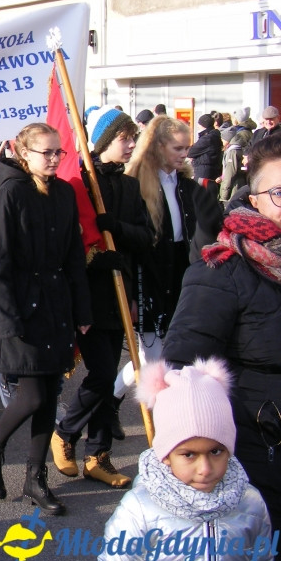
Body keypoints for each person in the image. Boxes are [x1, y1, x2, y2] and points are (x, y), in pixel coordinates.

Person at [163, 135, 281, 557]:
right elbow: (182, 369)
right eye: (280, 193)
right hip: (258, 448)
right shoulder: (223, 266)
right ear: (255, 195)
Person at [0, 123, 92, 516]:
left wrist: (82, 310)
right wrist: (6, 318)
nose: (56, 158)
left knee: (48, 397)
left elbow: (74, 255)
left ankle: (35, 479)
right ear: (25, 154)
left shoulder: (63, 192)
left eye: (59, 152)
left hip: (56, 306)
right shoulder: (10, 191)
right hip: (23, 308)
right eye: (47, 152)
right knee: (33, 395)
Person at [50, 107, 152, 490]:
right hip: (89, 292)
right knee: (104, 372)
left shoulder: (128, 185)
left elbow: (144, 238)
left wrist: (118, 229)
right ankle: (65, 431)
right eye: (124, 138)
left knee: (107, 376)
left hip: (119, 290)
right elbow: (66, 241)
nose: (130, 145)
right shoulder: (80, 181)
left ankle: (98, 454)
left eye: (131, 138)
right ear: (105, 141)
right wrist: (96, 258)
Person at [96, 358, 275, 561]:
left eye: (216, 451)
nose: (205, 469)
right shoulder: (140, 509)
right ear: (166, 455)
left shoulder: (250, 503)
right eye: (189, 455)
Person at [112, 116, 222, 402]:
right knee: (155, 360)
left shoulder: (186, 185)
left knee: (169, 356)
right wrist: (129, 293)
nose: (185, 154)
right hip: (147, 274)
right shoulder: (134, 182)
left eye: (187, 148)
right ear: (159, 147)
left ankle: (111, 398)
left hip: (180, 271)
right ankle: (118, 402)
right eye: (178, 148)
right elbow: (128, 244)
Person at [220, 126, 251, 206]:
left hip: (233, 188)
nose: (221, 141)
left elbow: (230, 173)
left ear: (228, 140)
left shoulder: (232, 151)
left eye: (222, 139)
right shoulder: (238, 148)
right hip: (237, 186)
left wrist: (224, 195)